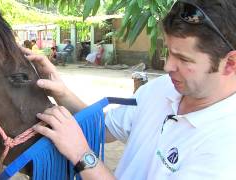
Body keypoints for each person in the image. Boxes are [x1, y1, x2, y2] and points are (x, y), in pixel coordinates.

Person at [24, 0, 236, 179]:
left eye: (183, 59)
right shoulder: (162, 88)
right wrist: (62, 93)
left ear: (230, 63)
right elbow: (103, 130)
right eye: (168, 52)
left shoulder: (227, 148)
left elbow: (84, 147)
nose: (167, 66)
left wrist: (83, 155)